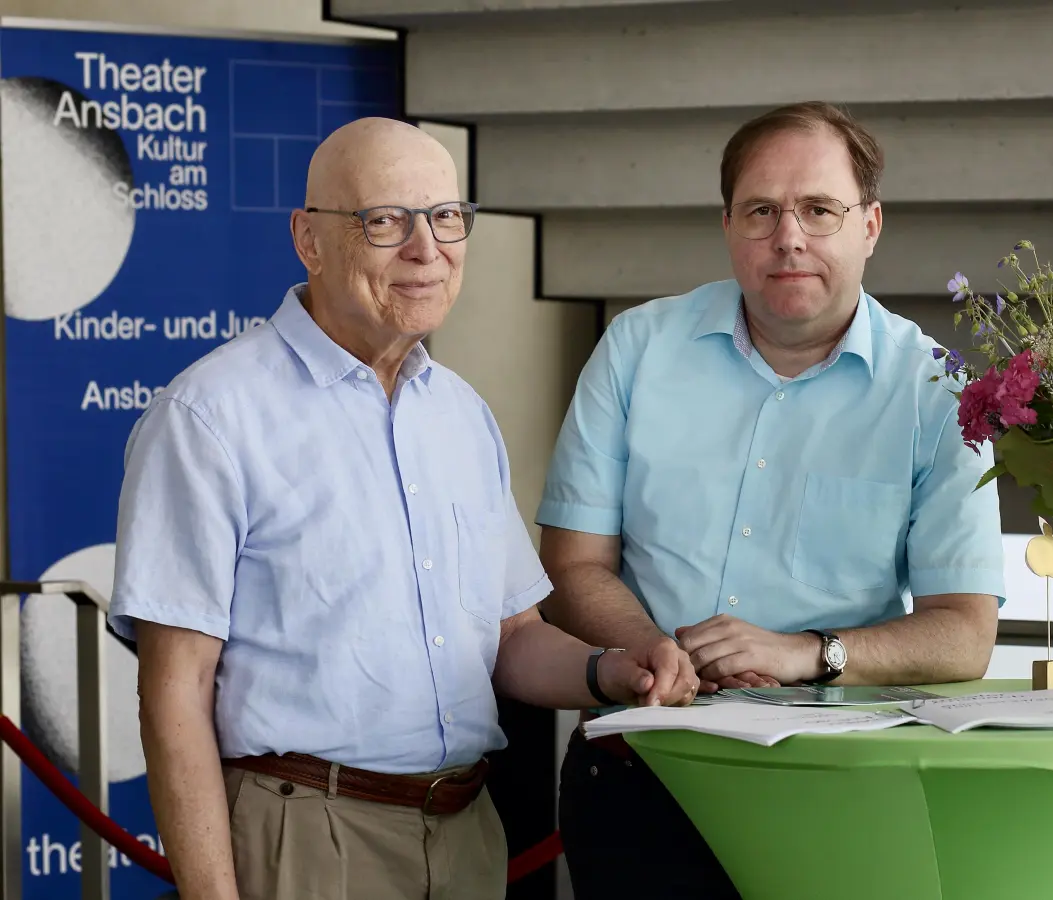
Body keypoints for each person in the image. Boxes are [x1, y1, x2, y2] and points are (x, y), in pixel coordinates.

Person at [109, 117, 699, 900]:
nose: (427, 250)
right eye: (384, 221)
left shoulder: (458, 413)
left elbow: (509, 637)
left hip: (464, 833)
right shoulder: (211, 416)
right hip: (305, 838)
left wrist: (610, 671)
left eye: (446, 217)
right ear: (309, 239)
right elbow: (175, 690)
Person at [536, 101, 1006, 898]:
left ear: (870, 225)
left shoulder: (935, 388)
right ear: (727, 225)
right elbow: (572, 565)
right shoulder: (637, 350)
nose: (788, 235)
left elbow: (965, 634)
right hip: (642, 776)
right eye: (762, 210)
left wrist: (809, 654)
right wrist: (660, 656)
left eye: (819, 209)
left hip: (838, 789)